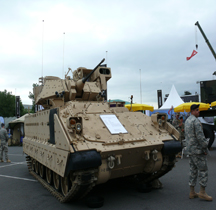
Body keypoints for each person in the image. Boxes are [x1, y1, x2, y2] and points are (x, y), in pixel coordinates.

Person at [185, 104, 212, 201]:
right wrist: (205, 149)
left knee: (193, 170)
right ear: (192, 111)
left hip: (190, 150)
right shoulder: (196, 121)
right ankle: (202, 192)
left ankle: (192, 192)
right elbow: (200, 137)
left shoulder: (187, 120)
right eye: (197, 110)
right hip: (197, 151)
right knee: (203, 170)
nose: (198, 112)